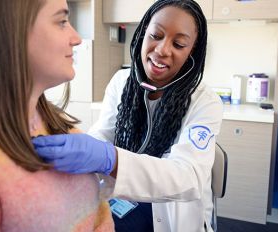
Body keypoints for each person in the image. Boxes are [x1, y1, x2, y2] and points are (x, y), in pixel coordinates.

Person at [32, 0, 223, 231]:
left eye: (179, 44)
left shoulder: (205, 101)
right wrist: (87, 151)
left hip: (171, 212)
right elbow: (104, 133)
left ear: (192, 52)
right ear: (143, 34)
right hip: (125, 195)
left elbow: (188, 176)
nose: (162, 50)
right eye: (156, 35)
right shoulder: (122, 82)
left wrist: (110, 158)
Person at [0, 0, 114, 231]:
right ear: (10, 29)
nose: (77, 38)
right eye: (61, 22)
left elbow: (100, 216)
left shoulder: (54, 122)